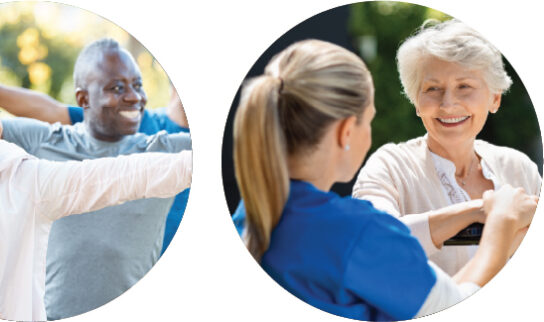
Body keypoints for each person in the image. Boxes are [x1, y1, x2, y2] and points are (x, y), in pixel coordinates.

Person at [0, 38, 191, 320]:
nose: (134, 97)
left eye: (138, 85)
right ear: (83, 99)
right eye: (118, 88)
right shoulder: (47, 141)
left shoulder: (163, 147)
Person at [231, 40, 535, 320]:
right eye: (371, 119)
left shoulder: (253, 210)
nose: (447, 103)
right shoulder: (360, 232)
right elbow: (452, 304)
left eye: (465, 86)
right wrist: (500, 222)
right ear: (346, 132)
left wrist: (480, 213)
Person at [353, 20, 541, 276]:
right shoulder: (390, 166)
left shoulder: (519, 169)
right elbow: (373, 243)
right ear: (416, 101)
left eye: (464, 86)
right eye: (433, 89)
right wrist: (486, 212)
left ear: (494, 98)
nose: (448, 104)